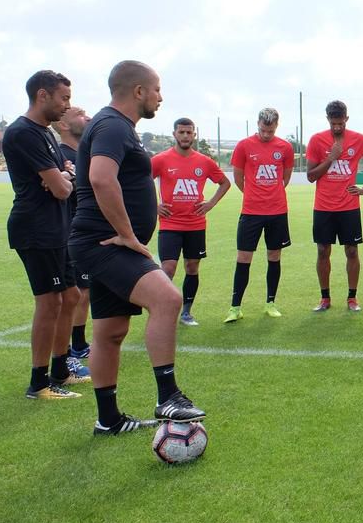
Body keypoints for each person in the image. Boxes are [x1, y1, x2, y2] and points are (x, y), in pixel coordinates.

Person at [69, 60, 205, 434]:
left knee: (110, 332)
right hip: (106, 244)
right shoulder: (113, 125)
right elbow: (100, 177)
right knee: (168, 298)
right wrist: (128, 235)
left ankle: (108, 420)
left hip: (100, 243)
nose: (161, 97)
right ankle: (168, 397)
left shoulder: (115, 126)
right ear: (138, 91)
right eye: (157, 89)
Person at [3, 70, 86, 399]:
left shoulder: (46, 134)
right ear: (42, 95)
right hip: (36, 229)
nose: (66, 105)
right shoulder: (24, 132)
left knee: (72, 297)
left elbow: (64, 181)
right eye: (63, 98)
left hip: (57, 228)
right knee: (50, 302)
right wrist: (64, 180)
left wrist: (64, 179)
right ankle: (39, 383)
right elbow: (62, 188)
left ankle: (61, 371)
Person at [305, 100, 363, 312]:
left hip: (349, 207)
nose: (337, 127)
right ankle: (325, 298)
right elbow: (311, 176)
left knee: (351, 251)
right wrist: (331, 158)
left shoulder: (359, 139)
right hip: (323, 207)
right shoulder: (316, 140)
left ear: (346, 119)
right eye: (333, 123)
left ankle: (352, 298)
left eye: (340, 123)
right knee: (323, 251)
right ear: (328, 120)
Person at [151, 117, 231, 325]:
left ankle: (186, 312)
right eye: (181, 132)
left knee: (192, 268)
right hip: (169, 224)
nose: (185, 136)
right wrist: (153, 205)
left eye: (189, 132)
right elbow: (140, 183)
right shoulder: (160, 160)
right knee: (168, 268)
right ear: (174, 134)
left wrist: (210, 203)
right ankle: (161, 311)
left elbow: (224, 183)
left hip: (195, 224)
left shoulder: (204, 162)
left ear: (194, 135)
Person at [226, 108, 294, 322]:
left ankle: (270, 303)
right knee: (244, 257)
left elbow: (285, 177)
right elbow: (238, 177)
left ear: (277, 126)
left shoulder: (285, 147)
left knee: (274, 256)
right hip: (251, 212)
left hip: (277, 211)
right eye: (264, 130)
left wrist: (271, 194)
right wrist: (253, 194)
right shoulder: (244, 146)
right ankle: (235, 308)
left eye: (271, 130)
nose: (266, 134)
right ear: (258, 124)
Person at [54, 104, 93, 374]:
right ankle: (70, 351)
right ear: (64, 125)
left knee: (84, 292)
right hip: (70, 234)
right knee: (72, 294)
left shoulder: (85, 154)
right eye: (80, 114)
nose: (88, 117)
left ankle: (78, 345)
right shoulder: (61, 155)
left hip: (88, 232)